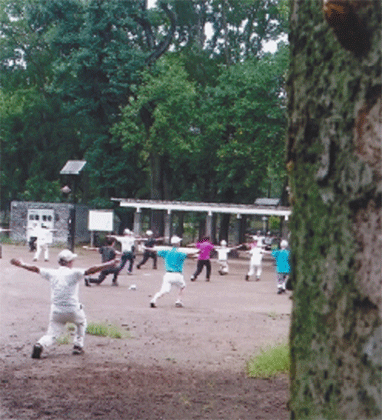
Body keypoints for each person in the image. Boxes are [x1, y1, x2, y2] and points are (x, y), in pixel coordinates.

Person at [10, 249, 119, 359]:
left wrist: (22, 264)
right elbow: (92, 270)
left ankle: (40, 344)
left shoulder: (52, 273)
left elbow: (35, 269)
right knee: (81, 323)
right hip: (73, 309)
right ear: (70, 262)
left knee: (52, 334)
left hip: (56, 310)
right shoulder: (74, 273)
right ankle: (78, 345)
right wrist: (109, 264)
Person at [150, 236, 198, 308]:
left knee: (164, 291)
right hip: (177, 274)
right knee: (182, 286)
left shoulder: (166, 252)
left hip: (168, 274)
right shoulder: (180, 253)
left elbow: (156, 251)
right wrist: (197, 255)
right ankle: (178, 301)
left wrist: (147, 248)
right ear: (178, 243)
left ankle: (154, 299)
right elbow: (190, 256)